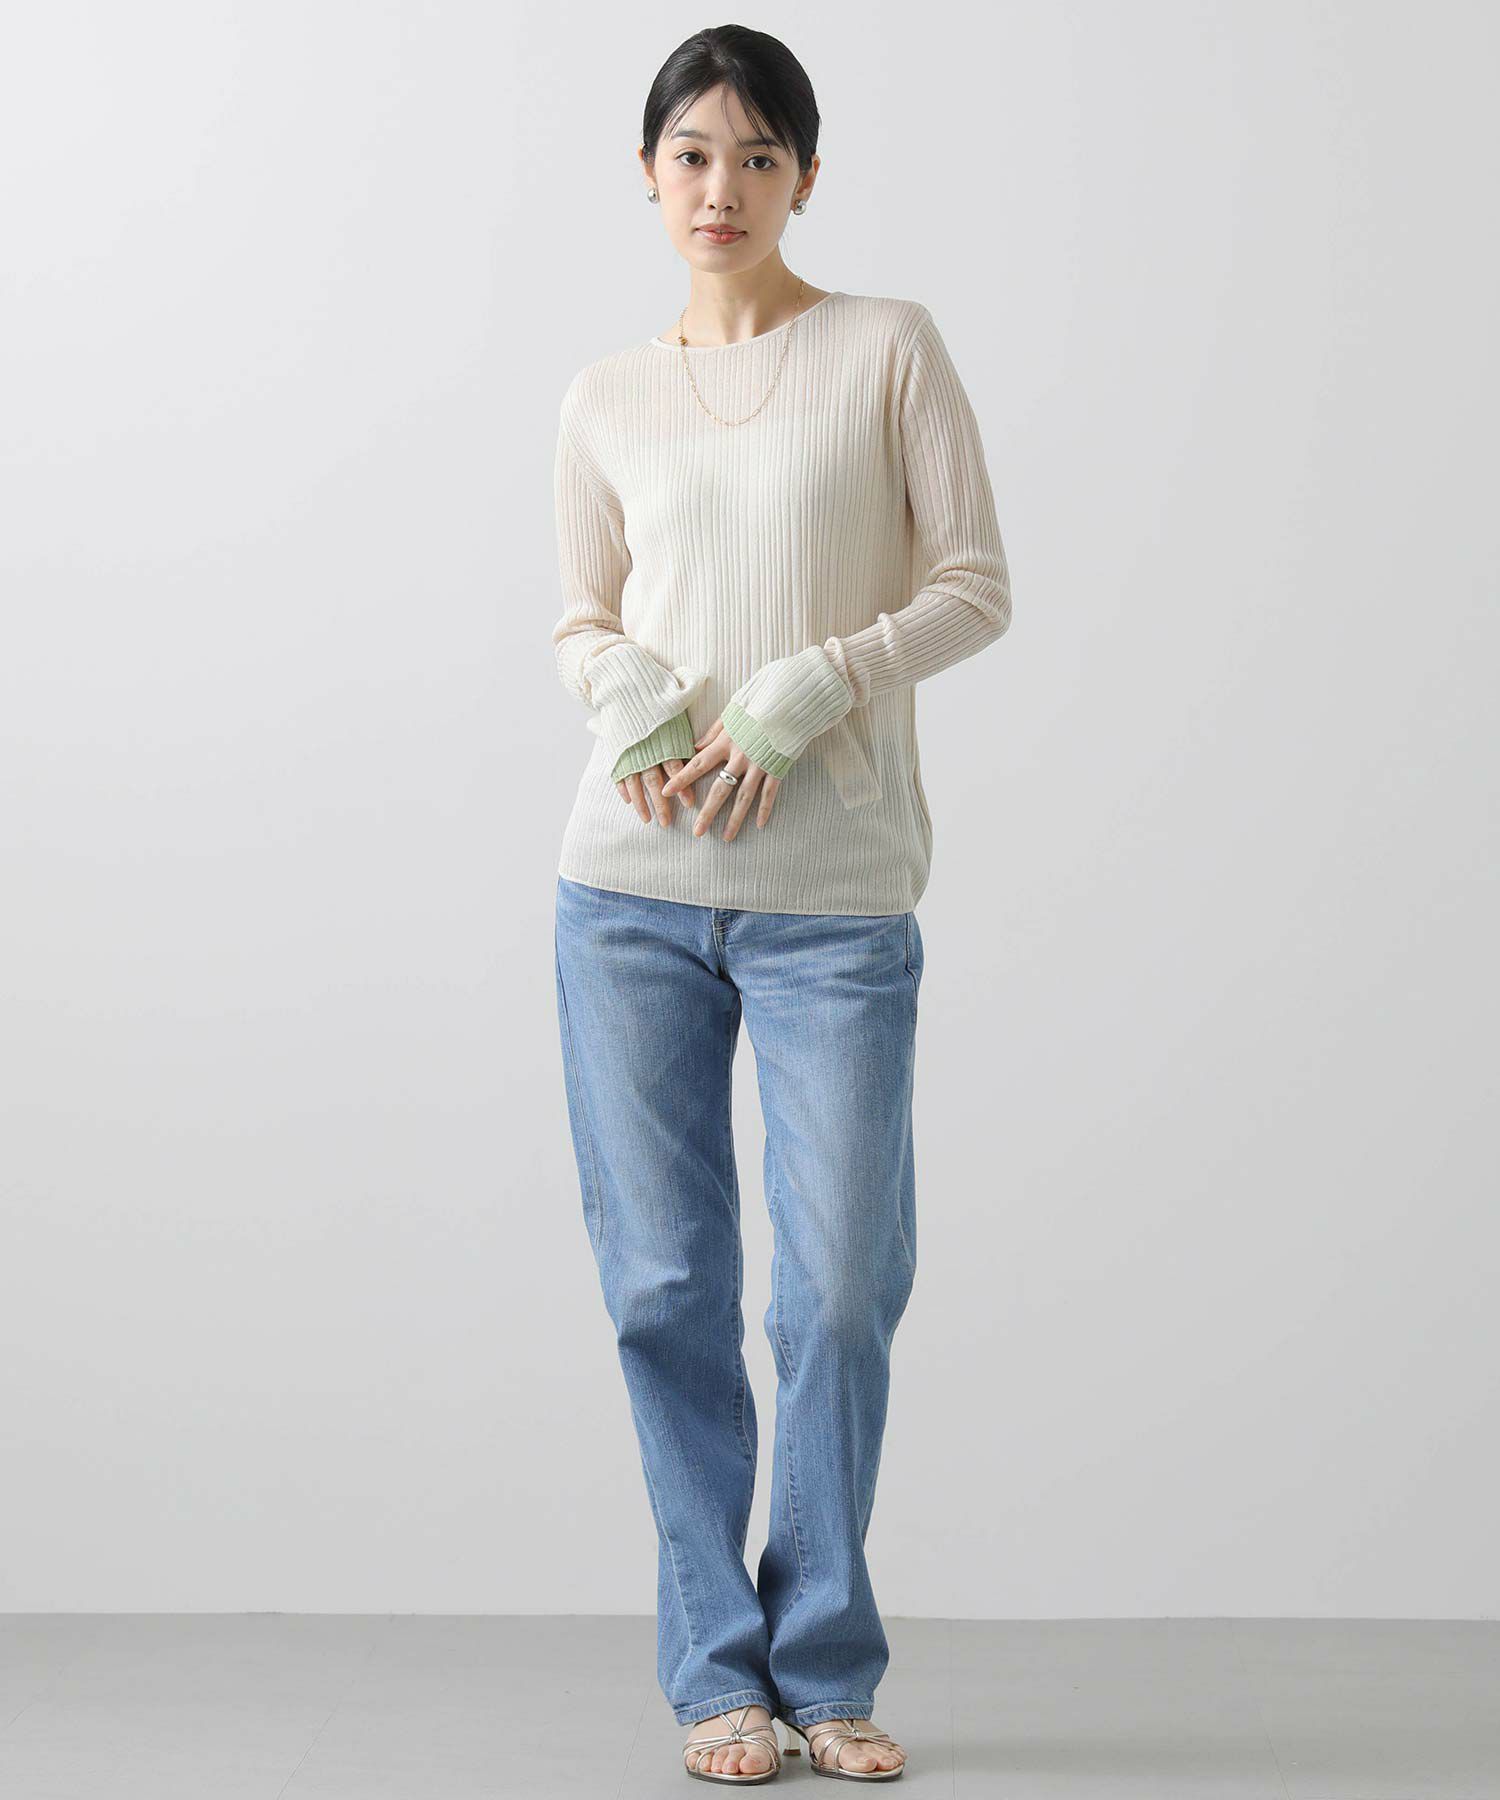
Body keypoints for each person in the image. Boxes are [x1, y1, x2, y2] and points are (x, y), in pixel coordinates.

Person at [550, 25, 1011, 1786]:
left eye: (757, 155)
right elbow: (580, 616)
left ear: (806, 176)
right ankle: (716, 1676)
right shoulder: (605, 394)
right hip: (628, 897)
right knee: (664, 1290)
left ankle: (825, 1665)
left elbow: (975, 584)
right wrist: (630, 692)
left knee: (834, 1293)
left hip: (835, 902)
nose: (721, 187)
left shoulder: (887, 348)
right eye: (691, 154)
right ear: (648, 174)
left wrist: (815, 683)